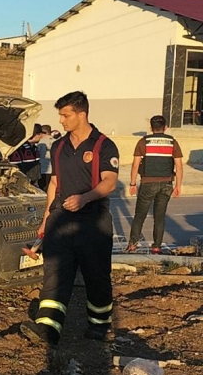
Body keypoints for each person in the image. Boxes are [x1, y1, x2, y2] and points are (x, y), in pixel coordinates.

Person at [19, 91, 119, 345]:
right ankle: (48, 329)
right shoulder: (59, 146)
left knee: (96, 276)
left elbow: (110, 182)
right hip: (60, 220)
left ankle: (98, 326)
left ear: (81, 114)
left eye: (66, 115)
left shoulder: (104, 146)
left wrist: (85, 198)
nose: (61, 120)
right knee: (54, 274)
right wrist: (45, 220)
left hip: (93, 221)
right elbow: (54, 182)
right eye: (60, 115)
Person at [126, 115, 183, 253]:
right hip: (166, 184)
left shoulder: (143, 142)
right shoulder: (173, 143)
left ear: (151, 128)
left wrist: (132, 184)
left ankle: (133, 244)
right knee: (160, 217)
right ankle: (157, 247)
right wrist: (178, 186)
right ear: (166, 127)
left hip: (147, 183)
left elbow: (135, 165)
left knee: (140, 215)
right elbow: (179, 167)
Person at [37, 125, 56, 190]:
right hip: (53, 169)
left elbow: (38, 154)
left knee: (43, 188)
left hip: (43, 169)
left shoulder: (42, 142)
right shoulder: (55, 141)